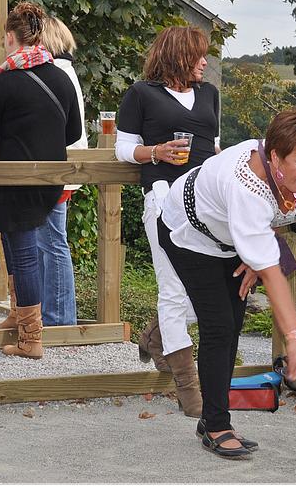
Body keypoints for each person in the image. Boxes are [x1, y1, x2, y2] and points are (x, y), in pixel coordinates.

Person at [158, 110, 296, 459]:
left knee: (233, 322)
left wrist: (255, 253)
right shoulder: (244, 184)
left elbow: (280, 209)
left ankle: (211, 418)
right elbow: (274, 274)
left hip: (229, 236)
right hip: (188, 234)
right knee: (218, 325)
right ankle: (216, 425)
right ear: (275, 156)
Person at [114, 26, 219, 417]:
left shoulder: (210, 94)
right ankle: (189, 389)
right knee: (173, 290)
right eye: (198, 55)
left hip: (207, 201)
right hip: (161, 198)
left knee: (206, 287)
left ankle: (156, 337)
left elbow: (214, 143)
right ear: (177, 55)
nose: (205, 62)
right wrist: (155, 151)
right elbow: (123, 148)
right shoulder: (142, 93)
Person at [0, 2, 81, 358]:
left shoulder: (3, 80)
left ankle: (31, 338)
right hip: (51, 179)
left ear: (9, 37)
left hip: (15, 178)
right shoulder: (60, 77)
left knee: (21, 255)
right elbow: (73, 132)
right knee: (32, 250)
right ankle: (19, 315)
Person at [33, 15, 88, 327]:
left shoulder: (54, 72)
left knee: (52, 242)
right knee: (52, 241)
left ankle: (59, 318)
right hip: (67, 162)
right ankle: (57, 315)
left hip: (58, 164)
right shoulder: (67, 71)